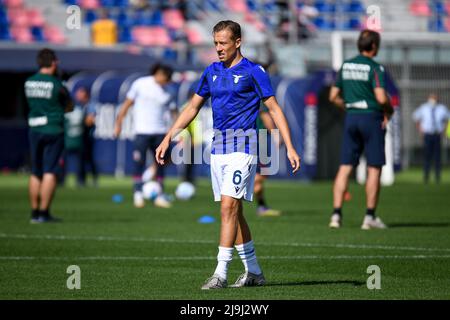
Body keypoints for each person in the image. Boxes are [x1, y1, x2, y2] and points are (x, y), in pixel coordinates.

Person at [155, 20, 301, 289]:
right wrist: (169, 136)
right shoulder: (211, 71)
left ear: (238, 42)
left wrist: (289, 146)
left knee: (227, 208)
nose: (218, 48)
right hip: (218, 149)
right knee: (235, 212)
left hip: (244, 148)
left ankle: (220, 273)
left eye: (223, 43)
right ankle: (254, 272)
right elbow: (191, 108)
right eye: (215, 43)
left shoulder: (254, 71)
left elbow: (275, 110)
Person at [328, 29, 393, 230]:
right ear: (374, 46)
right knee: (374, 167)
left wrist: (347, 106)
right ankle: (369, 217)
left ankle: (336, 215)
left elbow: (333, 96)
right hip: (371, 117)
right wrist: (389, 111)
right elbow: (381, 97)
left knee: (345, 166)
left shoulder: (345, 65)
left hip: (352, 117)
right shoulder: (375, 68)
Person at [114, 63, 177, 208]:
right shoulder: (140, 84)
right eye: (163, 76)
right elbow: (127, 104)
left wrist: (179, 131)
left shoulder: (169, 91)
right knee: (139, 162)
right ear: (157, 73)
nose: (164, 80)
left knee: (160, 164)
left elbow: (174, 112)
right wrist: (118, 123)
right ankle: (137, 194)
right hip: (142, 131)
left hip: (161, 132)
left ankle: (160, 196)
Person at [25, 48, 73, 223]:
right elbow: (69, 106)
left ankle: (34, 212)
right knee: (50, 171)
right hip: (53, 129)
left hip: (34, 129)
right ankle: (44, 213)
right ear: (53, 63)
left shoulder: (29, 82)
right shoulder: (56, 84)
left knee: (35, 172)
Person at [412, 93, 449, 183]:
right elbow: (415, 117)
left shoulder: (442, 108)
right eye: (432, 98)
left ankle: (437, 176)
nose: (433, 100)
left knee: (437, 156)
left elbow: (448, 118)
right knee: (427, 156)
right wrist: (420, 129)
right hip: (427, 135)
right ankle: (426, 176)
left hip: (437, 134)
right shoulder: (423, 108)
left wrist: (444, 130)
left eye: (435, 98)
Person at [254, 104, 282, 217]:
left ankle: (261, 206)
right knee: (260, 175)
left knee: (259, 175)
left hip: (247, 137)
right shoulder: (259, 94)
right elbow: (265, 115)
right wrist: (276, 134)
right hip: (260, 138)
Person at [80, 87, 99, 187]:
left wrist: (81, 121)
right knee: (81, 159)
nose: (78, 95)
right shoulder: (79, 106)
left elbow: (90, 121)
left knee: (90, 159)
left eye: (80, 93)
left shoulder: (90, 106)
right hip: (80, 137)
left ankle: (94, 179)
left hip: (88, 137)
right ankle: (81, 180)